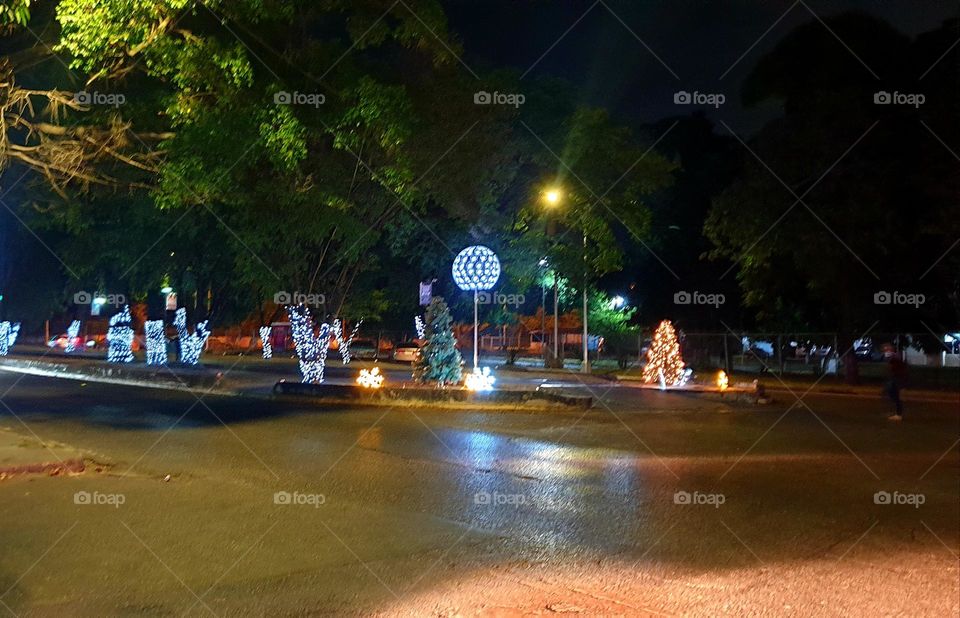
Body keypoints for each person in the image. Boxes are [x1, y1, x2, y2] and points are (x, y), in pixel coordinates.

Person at [883, 346, 908, 421]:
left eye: (887, 350)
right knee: (894, 395)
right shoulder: (894, 359)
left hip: (897, 380)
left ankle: (898, 414)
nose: (886, 352)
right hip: (896, 379)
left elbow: (897, 370)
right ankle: (898, 413)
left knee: (896, 396)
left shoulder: (894, 359)